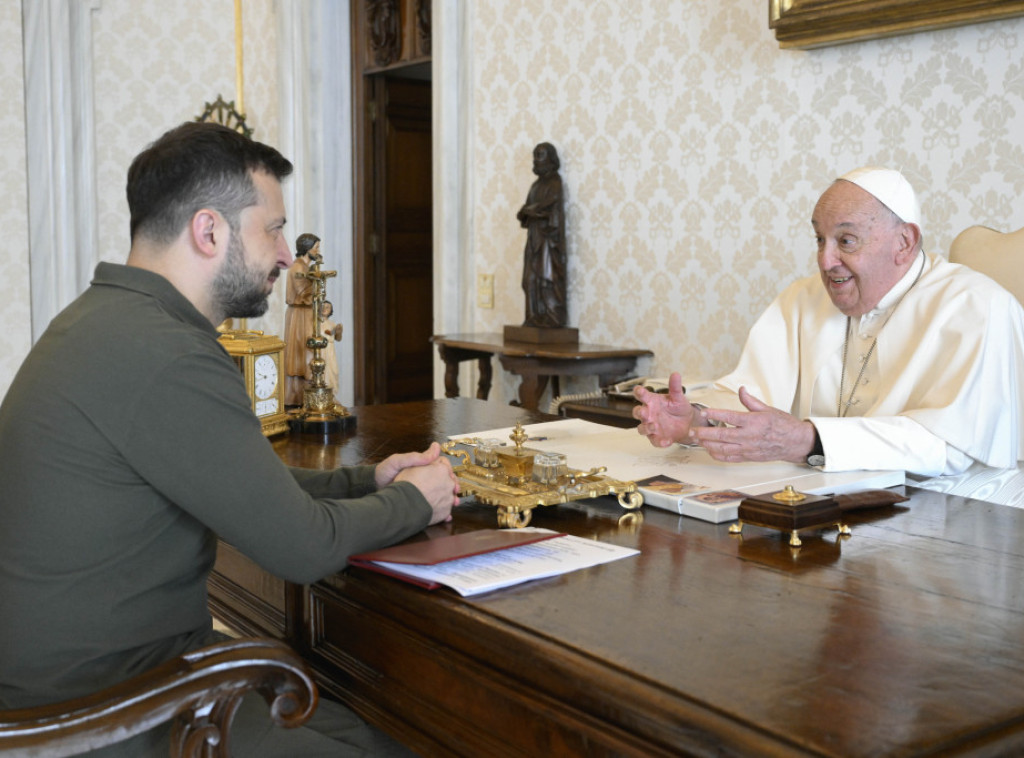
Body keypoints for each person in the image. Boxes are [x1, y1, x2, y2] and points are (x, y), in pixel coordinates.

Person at [0, 121, 459, 756]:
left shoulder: (106, 319)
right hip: (98, 716)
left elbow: (233, 482)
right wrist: (419, 500)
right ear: (209, 230)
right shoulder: (166, 353)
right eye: (272, 228)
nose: (286, 255)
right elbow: (302, 547)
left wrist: (367, 479)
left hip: (107, 681)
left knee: (372, 726)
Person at [634, 167, 1024, 481]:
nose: (825, 260)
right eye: (820, 239)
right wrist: (696, 422)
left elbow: (953, 448)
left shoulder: (977, 307)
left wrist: (811, 440)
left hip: (955, 508)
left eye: (846, 241)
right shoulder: (803, 300)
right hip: (830, 498)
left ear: (904, 242)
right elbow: (747, 396)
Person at [517, 142, 567, 328]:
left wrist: (533, 211)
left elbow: (550, 210)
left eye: (540, 155)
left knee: (546, 279)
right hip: (534, 238)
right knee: (529, 279)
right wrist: (526, 212)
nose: (536, 160)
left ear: (550, 159)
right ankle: (532, 317)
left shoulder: (555, 182)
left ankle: (551, 317)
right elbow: (526, 210)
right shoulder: (535, 186)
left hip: (547, 240)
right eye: (535, 155)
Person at [283, 232, 318, 405]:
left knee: (309, 352)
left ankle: (308, 394)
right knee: (300, 352)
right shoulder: (298, 268)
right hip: (300, 314)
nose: (318, 251)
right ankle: (297, 396)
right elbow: (305, 294)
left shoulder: (306, 267)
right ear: (307, 249)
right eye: (316, 248)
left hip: (306, 313)